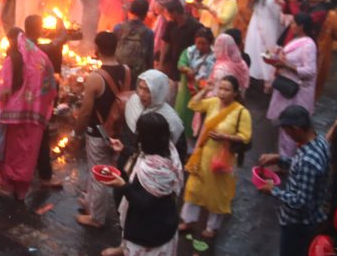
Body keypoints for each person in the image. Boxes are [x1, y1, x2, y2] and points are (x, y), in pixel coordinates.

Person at [99, 112, 184, 256]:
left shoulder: (156, 170)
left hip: (150, 227)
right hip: (157, 216)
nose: (136, 136)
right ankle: (123, 249)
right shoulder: (165, 146)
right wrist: (124, 149)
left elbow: (143, 203)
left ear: (147, 138)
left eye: (139, 133)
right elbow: (142, 156)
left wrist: (123, 186)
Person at [179, 76, 252, 239]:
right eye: (221, 89)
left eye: (227, 90)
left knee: (218, 193)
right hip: (204, 155)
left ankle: (212, 227)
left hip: (222, 158)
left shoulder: (241, 112)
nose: (222, 93)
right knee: (194, 188)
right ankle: (188, 221)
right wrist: (205, 89)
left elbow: (245, 137)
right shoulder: (213, 102)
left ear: (235, 93)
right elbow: (193, 105)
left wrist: (226, 137)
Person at [256, 105, 331, 256]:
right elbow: (301, 168)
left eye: (286, 129)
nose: (285, 133)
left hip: (299, 224)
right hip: (312, 216)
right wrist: (279, 159)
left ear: (296, 129)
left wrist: (273, 190)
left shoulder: (308, 161)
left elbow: (301, 202)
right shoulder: (319, 141)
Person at [0, 26, 56, 201]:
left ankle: (7, 187)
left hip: (14, 117)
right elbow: (50, 87)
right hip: (36, 115)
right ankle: (21, 191)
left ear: (11, 40)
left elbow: (4, 90)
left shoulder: (12, 59)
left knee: (11, 152)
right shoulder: (42, 58)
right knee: (28, 154)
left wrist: (3, 103)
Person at [76, 31, 129, 227]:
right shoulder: (126, 70)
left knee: (99, 172)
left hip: (98, 132)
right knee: (101, 167)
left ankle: (97, 217)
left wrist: (76, 131)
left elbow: (85, 111)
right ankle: (90, 202)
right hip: (117, 131)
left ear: (97, 49)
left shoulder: (95, 77)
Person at [265, 12, 318, 158]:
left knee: (290, 128)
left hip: (296, 93)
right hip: (286, 88)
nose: (291, 25)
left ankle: (286, 159)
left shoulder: (309, 45)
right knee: (284, 127)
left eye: (294, 23)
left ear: (301, 26)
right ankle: (283, 157)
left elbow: (310, 71)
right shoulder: (297, 40)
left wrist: (286, 65)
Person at [175, 27, 216, 143]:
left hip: (204, 93)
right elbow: (180, 64)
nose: (200, 46)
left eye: (204, 44)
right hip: (188, 92)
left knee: (199, 119)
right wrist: (186, 69)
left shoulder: (215, 56)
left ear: (210, 43)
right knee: (184, 115)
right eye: (198, 43)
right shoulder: (189, 52)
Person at [246, 0, 285, 82]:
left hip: (255, 27)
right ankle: (267, 75)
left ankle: (254, 71)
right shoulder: (271, 0)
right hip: (268, 28)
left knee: (255, 49)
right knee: (267, 50)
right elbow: (278, 15)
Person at [113, 0, 154, 88]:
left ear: (130, 10)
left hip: (117, 71)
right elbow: (149, 59)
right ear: (145, 13)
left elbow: (111, 52)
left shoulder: (118, 28)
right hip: (137, 75)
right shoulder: (148, 33)